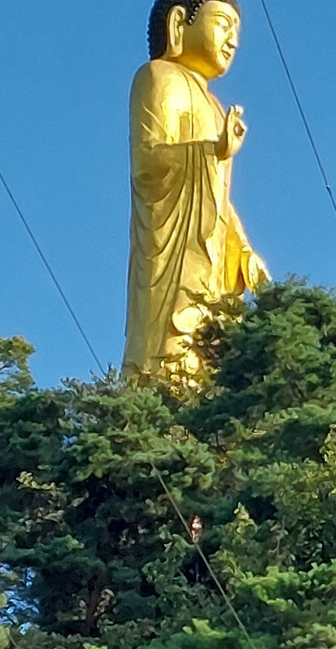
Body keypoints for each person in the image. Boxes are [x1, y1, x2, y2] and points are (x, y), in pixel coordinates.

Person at [123, 0, 269, 377]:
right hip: (172, 258)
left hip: (209, 263)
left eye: (236, 29)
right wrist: (210, 151)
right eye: (222, 23)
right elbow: (147, 164)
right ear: (177, 23)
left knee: (213, 359)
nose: (232, 40)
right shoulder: (158, 77)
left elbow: (219, 200)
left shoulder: (215, 105)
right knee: (174, 357)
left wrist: (243, 249)